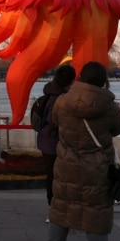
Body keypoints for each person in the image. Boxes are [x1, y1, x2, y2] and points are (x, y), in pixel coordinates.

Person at [45, 60, 120, 241]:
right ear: (104, 81)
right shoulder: (108, 107)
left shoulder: (62, 102)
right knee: (96, 210)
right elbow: (117, 130)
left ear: (79, 78)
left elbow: (54, 120)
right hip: (97, 167)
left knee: (62, 206)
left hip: (66, 163)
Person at [36, 64, 76, 214]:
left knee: (52, 175)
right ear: (70, 81)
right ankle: (54, 207)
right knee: (56, 176)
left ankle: (54, 206)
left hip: (45, 140)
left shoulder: (49, 93)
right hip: (54, 142)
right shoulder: (59, 98)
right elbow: (55, 121)